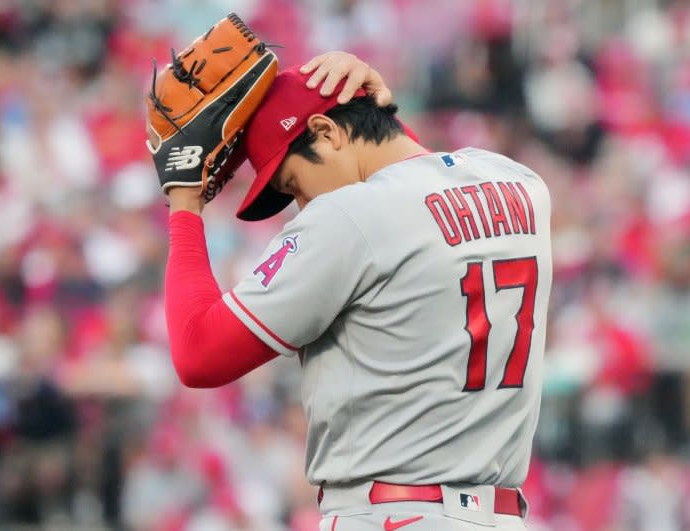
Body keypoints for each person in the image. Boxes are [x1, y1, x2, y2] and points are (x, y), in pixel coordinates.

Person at [163, 52, 552, 530]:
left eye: (294, 183)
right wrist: (377, 110)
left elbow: (197, 352)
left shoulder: (350, 217)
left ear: (327, 133)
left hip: (389, 515)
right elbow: (420, 174)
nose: (301, 206)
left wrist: (183, 202)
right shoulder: (521, 184)